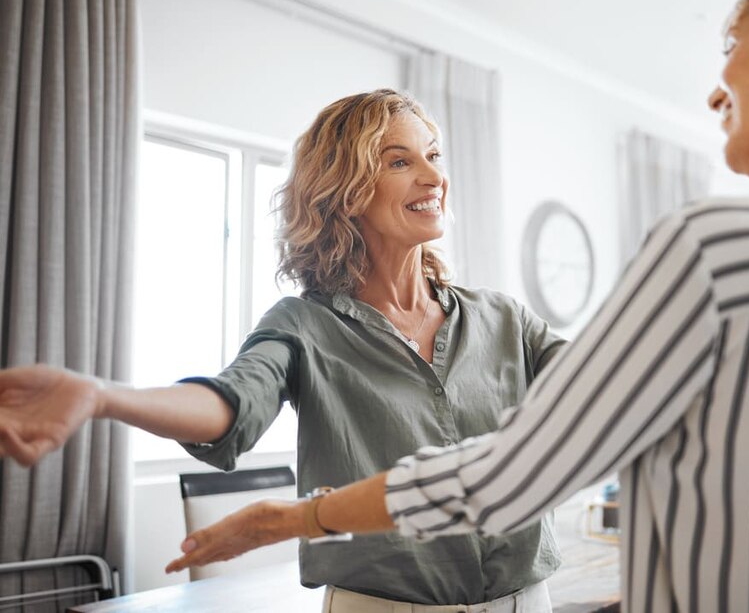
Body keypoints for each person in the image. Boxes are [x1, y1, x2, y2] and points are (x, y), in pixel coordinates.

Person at [152, 0, 749, 613]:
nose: (718, 87)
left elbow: (511, 472)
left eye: (729, 47)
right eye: (402, 159)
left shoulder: (715, 246)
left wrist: (302, 516)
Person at [0, 90, 562, 610]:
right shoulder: (304, 325)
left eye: (433, 155)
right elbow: (227, 404)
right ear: (346, 191)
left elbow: (599, 390)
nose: (432, 176)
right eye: (399, 161)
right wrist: (102, 396)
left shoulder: (504, 318)